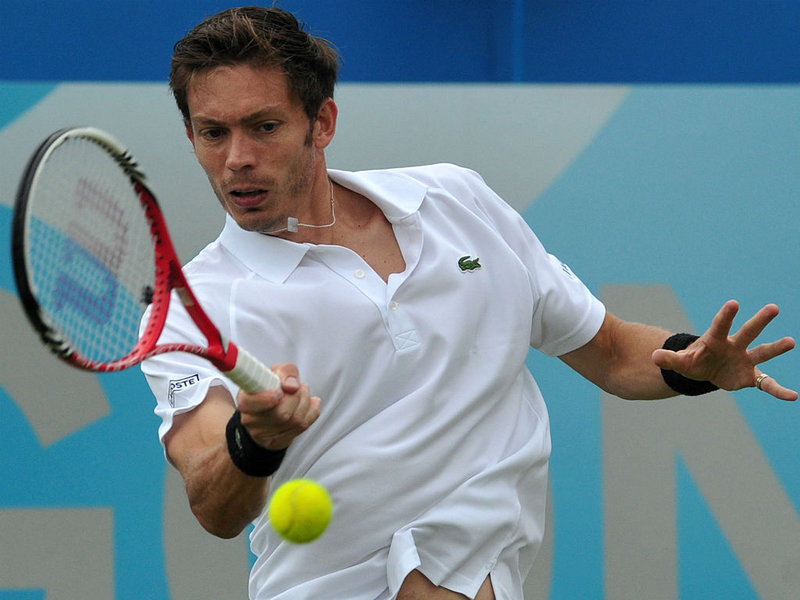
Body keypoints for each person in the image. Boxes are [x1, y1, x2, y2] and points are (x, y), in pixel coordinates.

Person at [141, 6, 797, 600]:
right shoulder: (188, 307)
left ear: (324, 123)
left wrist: (691, 364)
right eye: (212, 133)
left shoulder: (456, 202)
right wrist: (255, 441)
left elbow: (613, 353)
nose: (238, 160)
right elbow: (213, 501)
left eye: (264, 127)